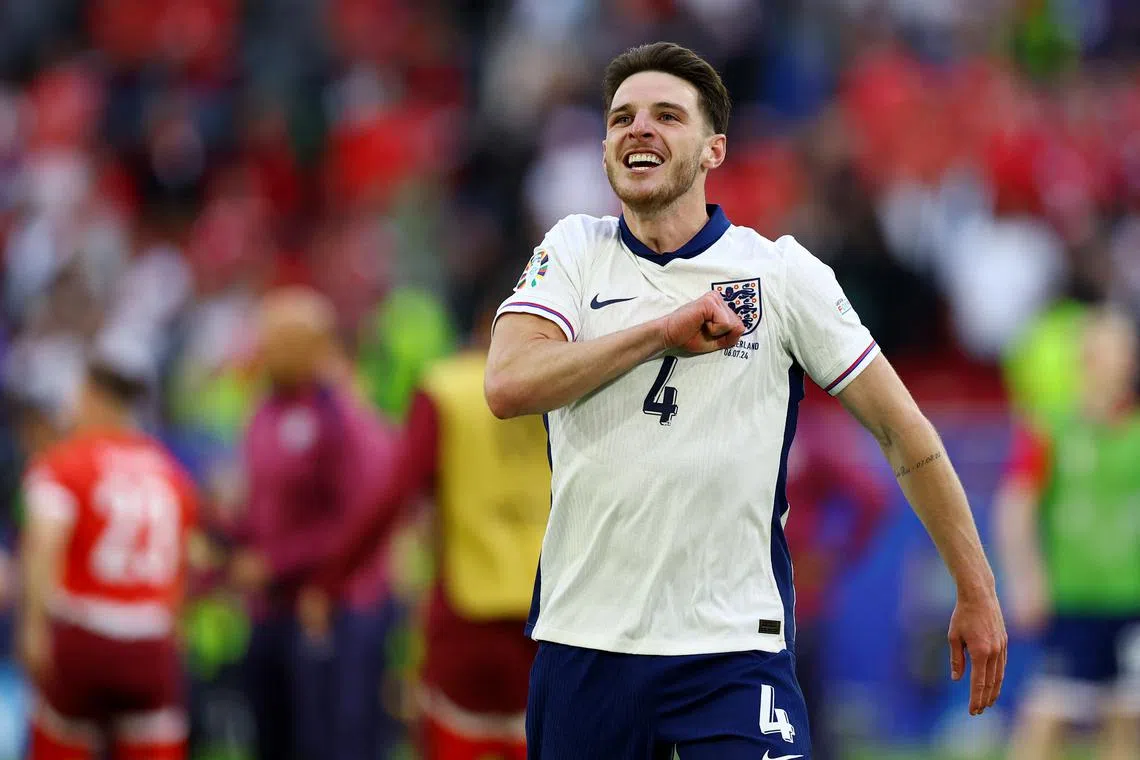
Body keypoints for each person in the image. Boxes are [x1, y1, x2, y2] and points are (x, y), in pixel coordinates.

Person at [484, 42, 1007, 759]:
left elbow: (901, 430)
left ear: (712, 150)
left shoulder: (781, 274)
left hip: (731, 650)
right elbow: (508, 384)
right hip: (586, 642)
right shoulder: (574, 250)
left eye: (667, 116)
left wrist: (975, 587)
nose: (639, 129)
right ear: (605, 148)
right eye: (621, 118)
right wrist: (658, 333)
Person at [319, 288, 549, 760]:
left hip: (466, 613)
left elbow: (392, 497)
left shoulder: (448, 389)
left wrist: (332, 581)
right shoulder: (571, 385)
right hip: (552, 617)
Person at [228, 286, 404, 760]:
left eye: (278, 340)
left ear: (316, 345)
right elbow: (263, 507)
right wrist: (229, 539)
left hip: (337, 605)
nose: (265, 350)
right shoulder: (264, 411)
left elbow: (359, 523)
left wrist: (274, 563)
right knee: (272, 738)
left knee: (332, 742)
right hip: (274, 608)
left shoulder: (345, 418)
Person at [18, 329, 199, 760]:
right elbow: (183, 560)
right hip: (151, 638)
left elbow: (45, 541)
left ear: (92, 395)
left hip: (83, 633)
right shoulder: (169, 472)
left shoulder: (64, 463)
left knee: (62, 741)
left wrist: (34, 627)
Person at [995, 308, 1140, 760]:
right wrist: (1024, 578)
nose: (1109, 363)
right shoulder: (1050, 428)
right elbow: (1015, 507)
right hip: (1072, 598)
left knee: (1127, 718)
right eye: (1098, 352)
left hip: (1131, 599)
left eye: (1119, 353)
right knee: (1046, 715)